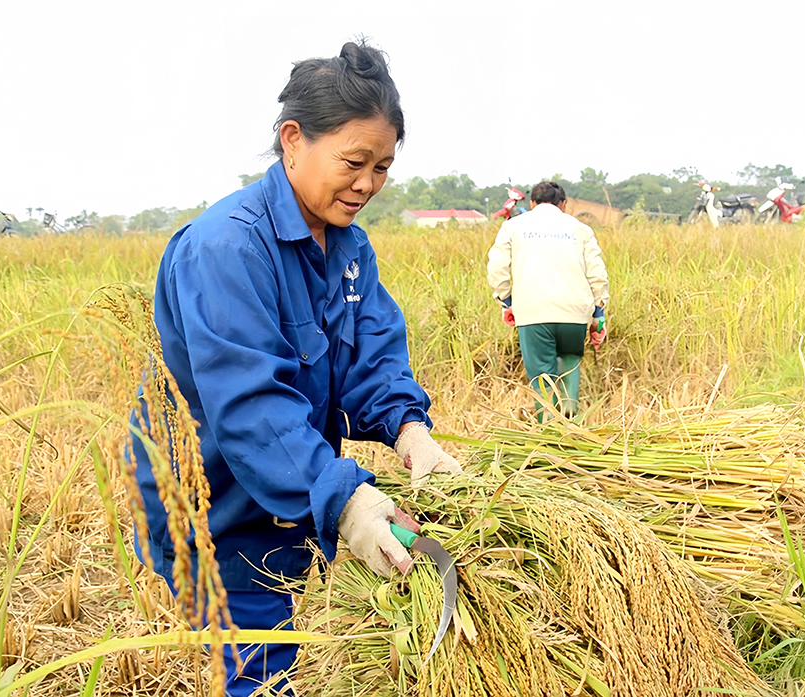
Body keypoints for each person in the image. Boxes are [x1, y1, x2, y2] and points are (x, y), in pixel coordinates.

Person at [127, 41, 462, 696]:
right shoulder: (225, 247)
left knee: (283, 653)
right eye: (354, 162)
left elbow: (374, 355)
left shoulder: (348, 247)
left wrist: (411, 431)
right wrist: (348, 498)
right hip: (218, 507)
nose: (367, 184)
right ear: (292, 140)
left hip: (287, 500)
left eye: (383, 167)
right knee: (261, 670)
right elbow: (254, 408)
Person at [486, 180, 610, 420]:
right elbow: (597, 273)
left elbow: (497, 268)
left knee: (543, 376)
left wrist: (507, 301)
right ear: (562, 204)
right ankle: (570, 421)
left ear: (532, 203)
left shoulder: (514, 226)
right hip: (575, 314)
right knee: (570, 363)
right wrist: (599, 313)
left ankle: (547, 431)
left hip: (533, 314)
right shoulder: (580, 228)